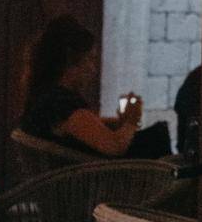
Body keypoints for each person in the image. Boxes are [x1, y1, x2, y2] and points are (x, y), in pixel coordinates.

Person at [20, 16, 172, 160]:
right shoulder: (60, 102)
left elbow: (84, 128)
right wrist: (131, 121)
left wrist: (121, 123)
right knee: (157, 136)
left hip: (83, 170)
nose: (93, 68)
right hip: (101, 178)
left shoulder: (45, 95)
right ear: (70, 60)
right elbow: (115, 147)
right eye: (90, 59)